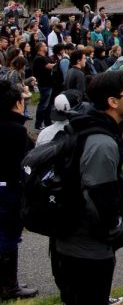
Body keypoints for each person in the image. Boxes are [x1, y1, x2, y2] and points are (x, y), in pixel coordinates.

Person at [51, 70, 123, 304]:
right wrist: (115, 229)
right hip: (87, 248)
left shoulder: (90, 128)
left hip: (74, 242)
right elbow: (100, 199)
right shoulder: (101, 143)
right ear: (113, 101)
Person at [0, 80, 38, 300]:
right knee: (9, 237)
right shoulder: (16, 131)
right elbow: (26, 163)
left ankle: (7, 280)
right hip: (10, 189)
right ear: (15, 104)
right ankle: (9, 285)